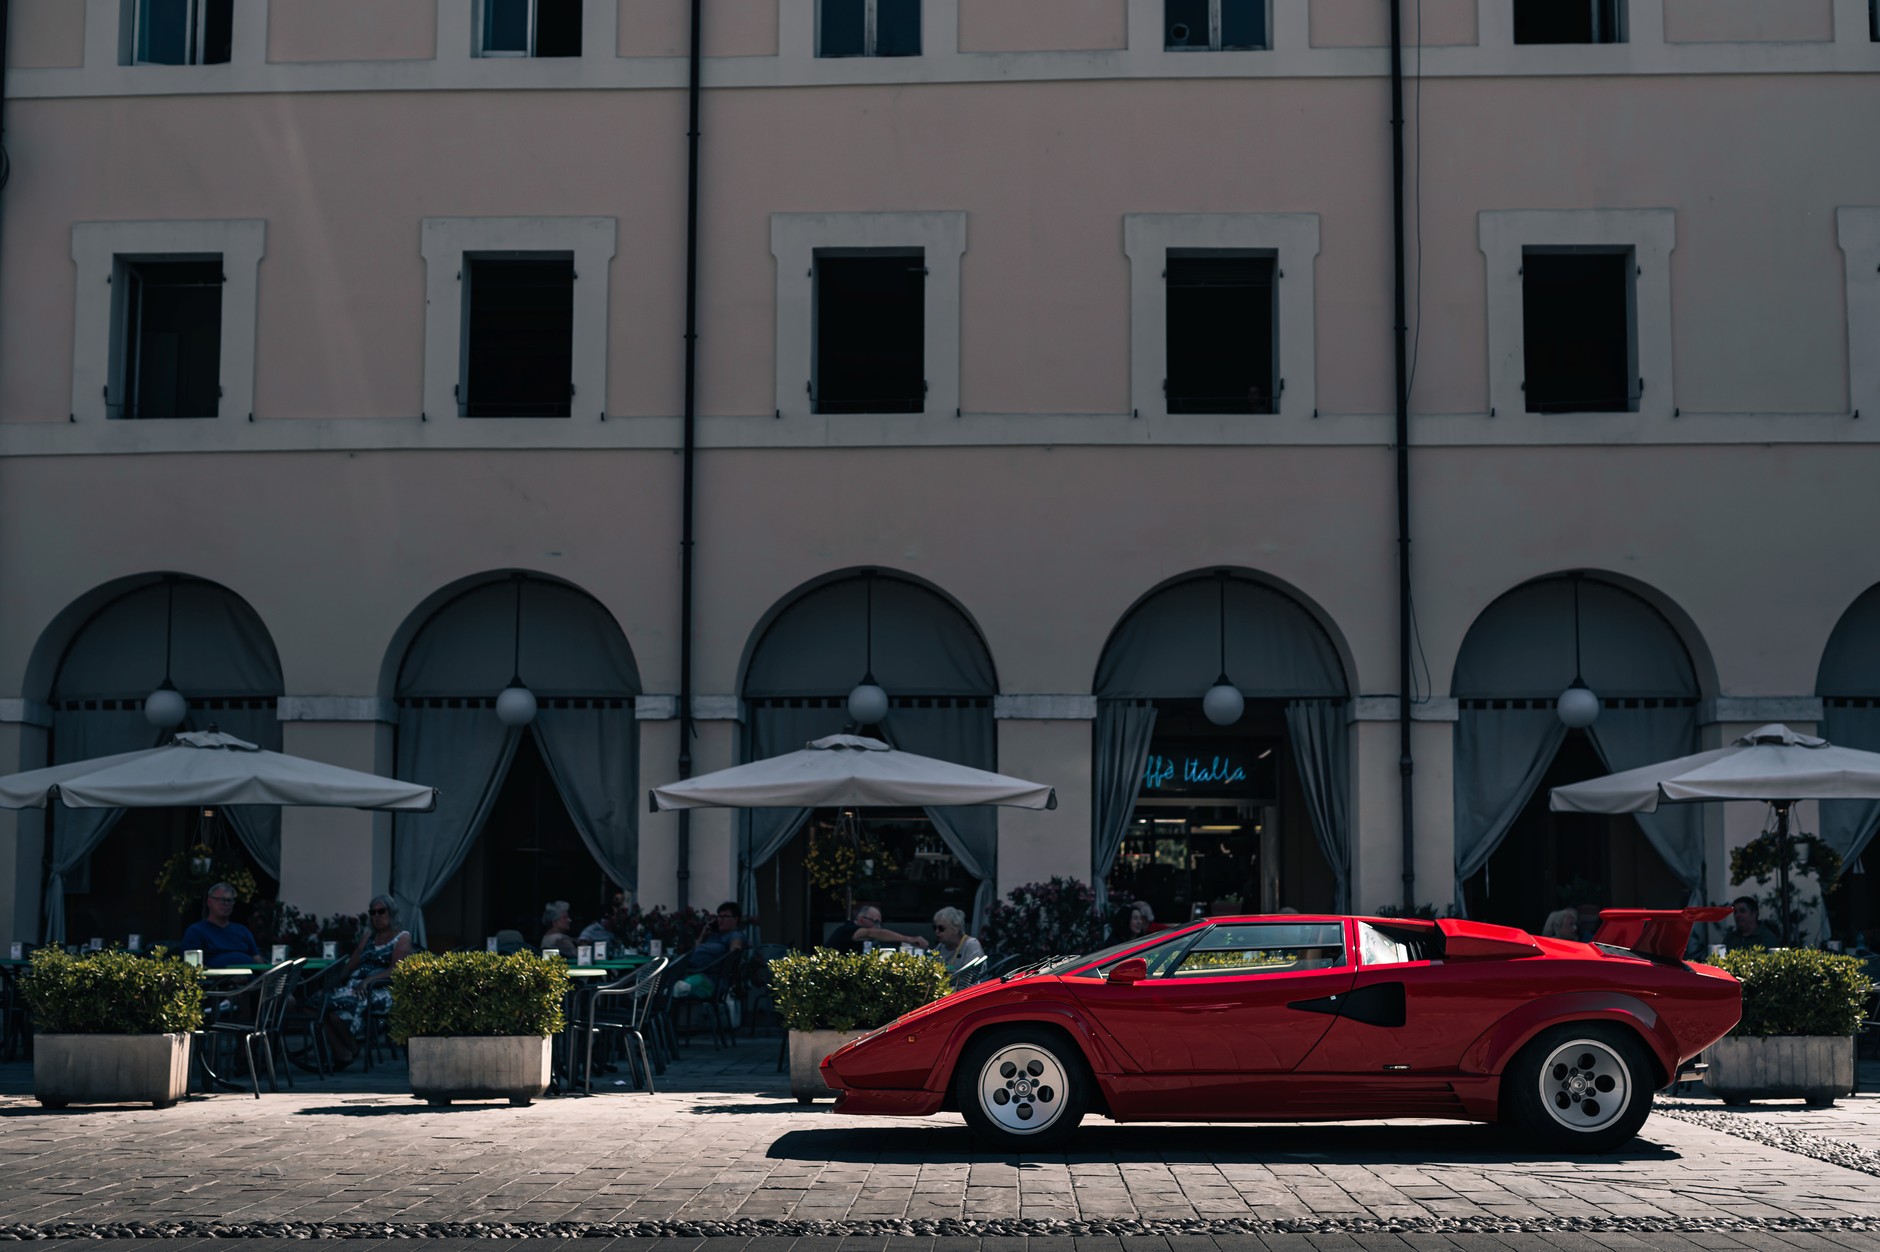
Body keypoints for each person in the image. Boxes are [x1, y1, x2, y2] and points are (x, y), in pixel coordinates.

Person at [324, 894, 412, 1068]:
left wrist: (368, 980)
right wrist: (331, 981)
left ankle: (349, 1048)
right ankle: (345, 1050)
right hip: (356, 986)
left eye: (381, 911)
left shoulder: (402, 937)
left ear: (391, 913)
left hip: (381, 988)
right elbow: (351, 965)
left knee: (335, 1011)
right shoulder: (368, 937)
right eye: (373, 913)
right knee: (319, 1006)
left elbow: (395, 969)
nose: (376, 916)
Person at [672, 901, 747, 999]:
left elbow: (736, 947)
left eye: (725, 917)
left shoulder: (734, 934)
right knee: (661, 982)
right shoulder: (713, 936)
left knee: (682, 988)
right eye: (719, 916)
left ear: (736, 919)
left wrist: (735, 951)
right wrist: (703, 934)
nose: (720, 920)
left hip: (711, 980)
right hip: (690, 971)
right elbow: (696, 950)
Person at [181, 882, 261, 966]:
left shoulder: (243, 931)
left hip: (252, 978)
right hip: (218, 978)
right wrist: (227, 978)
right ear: (209, 902)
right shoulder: (196, 931)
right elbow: (192, 968)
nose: (226, 904)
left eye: (229, 900)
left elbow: (257, 959)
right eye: (222, 900)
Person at [826, 902, 929, 953]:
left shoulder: (868, 942)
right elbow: (871, 933)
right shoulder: (847, 930)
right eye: (875, 922)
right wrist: (909, 939)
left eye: (879, 923)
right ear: (861, 920)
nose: (878, 927)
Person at [931, 907, 983, 972]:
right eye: (934, 928)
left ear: (956, 928)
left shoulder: (971, 945)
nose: (937, 931)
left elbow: (969, 975)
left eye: (941, 928)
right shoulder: (941, 946)